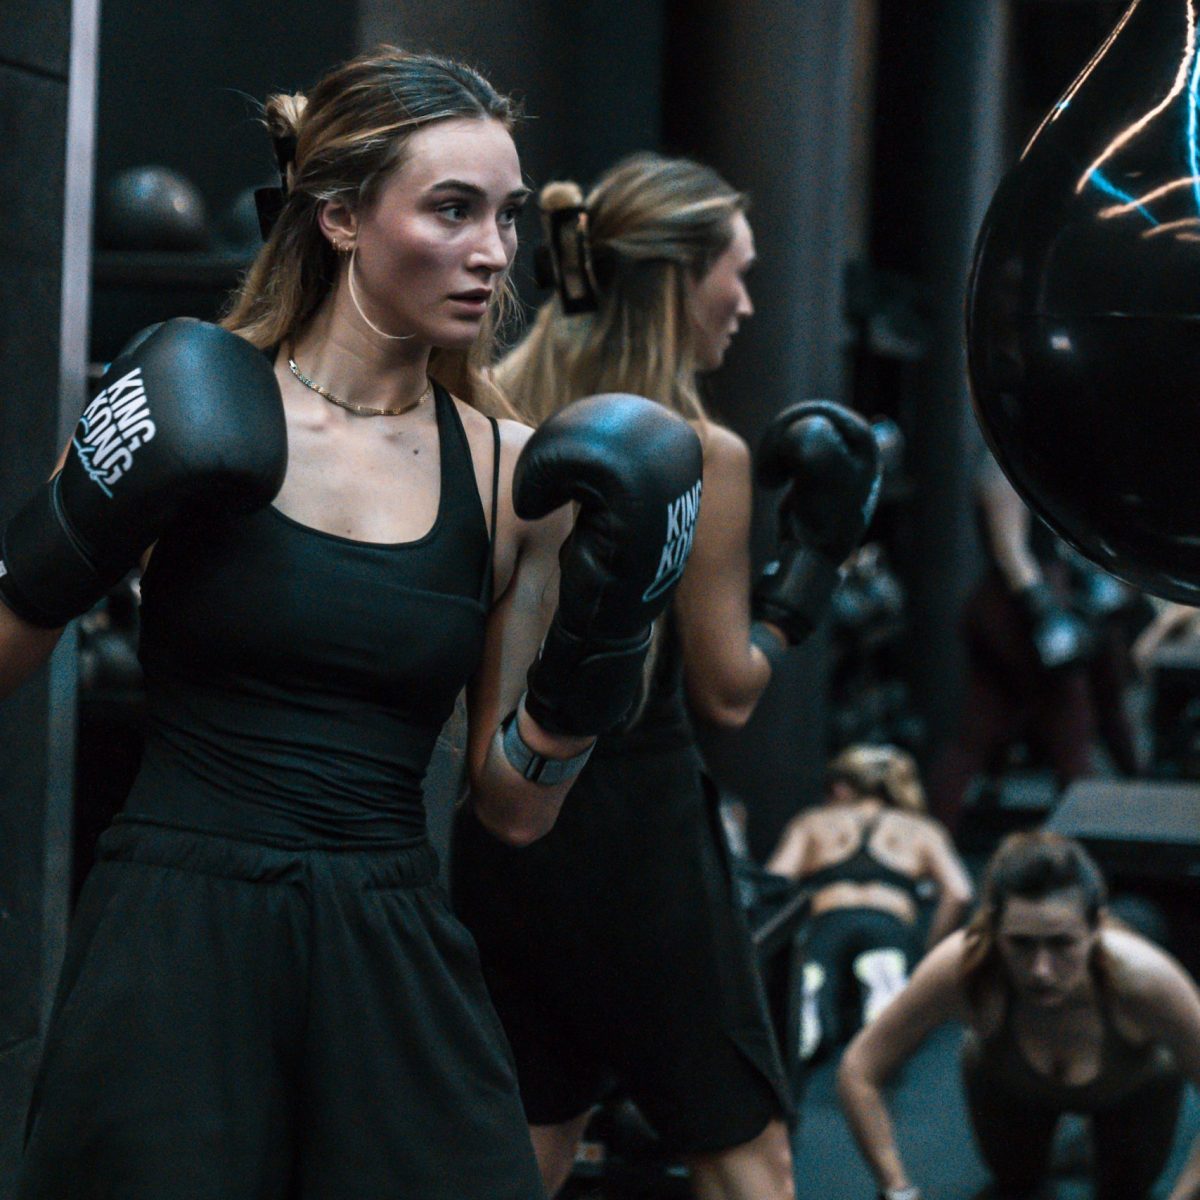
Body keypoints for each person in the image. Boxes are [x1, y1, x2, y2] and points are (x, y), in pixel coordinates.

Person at [0, 47, 703, 1198]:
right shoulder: (198, 401)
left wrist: (596, 657)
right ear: (337, 217)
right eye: (452, 210)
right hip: (178, 924)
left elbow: (514, 808)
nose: (493, 253)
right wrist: (74, 515)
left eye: (508, 216)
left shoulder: (506, 471)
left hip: (384, 929)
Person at [451, 152, 882, 1200]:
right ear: (679, 280)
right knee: (751, 1154)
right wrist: (806, 581)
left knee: (536, 1133)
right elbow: (729, 689)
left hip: (497, 820)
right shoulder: (701, 452)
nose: (747, 300)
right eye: (737, 271)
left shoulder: (494, 421)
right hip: (636, 832)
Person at [837, 831, 1200, 1200]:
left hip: (1132, 1092)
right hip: (1009, 1086)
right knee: (1016, 1187)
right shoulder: (962, 967)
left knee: (1126, 1193)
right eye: (1021, 944)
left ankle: (1085, 1145)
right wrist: (897, 1190)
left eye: (1061, 943)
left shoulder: (1144, 979)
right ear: (994, 931)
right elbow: (859, 1069)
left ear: (1096, 928)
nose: (1041, 970)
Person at [929, 451, 1141, 831]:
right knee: (1072, 728)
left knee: (978, 731)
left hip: (1024, 604)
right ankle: (1083, 850)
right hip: (1016, 611)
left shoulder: (1038, 463)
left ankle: (934, 838)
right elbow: (1010, 548)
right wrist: (1044, 612)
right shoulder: (1009, 461)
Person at [766, 744, 973, 1068]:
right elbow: (959, 893)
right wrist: (926, 953)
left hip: (829, 918)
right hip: (890, 923)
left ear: (841, 786)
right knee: (892, 956)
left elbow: (775, 883)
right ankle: (891, 978)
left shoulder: (813, 821)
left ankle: (808, 991)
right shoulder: (921, 828)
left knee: (817, 966)